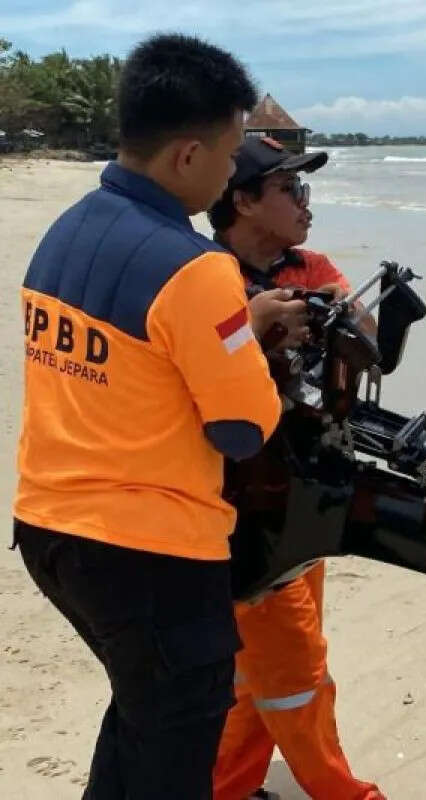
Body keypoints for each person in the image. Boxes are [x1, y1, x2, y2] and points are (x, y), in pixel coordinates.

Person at [11, 34, 284, 799]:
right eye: (231, 155)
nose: (234, 174)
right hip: (149, 556)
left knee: (143, 711)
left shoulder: (62, 234)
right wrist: (245, 337)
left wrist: (236, 325)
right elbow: (244, 428)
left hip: (49, 531)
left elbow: (128, 363)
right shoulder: (198, 269)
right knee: (174, 744)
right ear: (187, 157)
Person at [206, 137, 385, 800]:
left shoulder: (308, 266)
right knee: (296, 674)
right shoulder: (205, 279)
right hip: (241, 510)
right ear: (244, 200)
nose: (306, 203)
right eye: (291, 189)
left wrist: (335, 319)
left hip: (305, 498)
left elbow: (372, 351)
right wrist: (248, 331)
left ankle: (226, 786)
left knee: (260, 674)